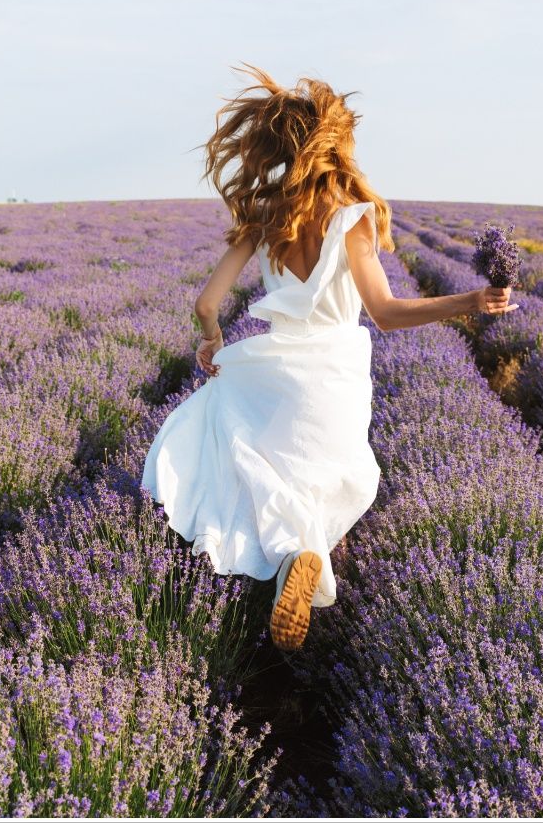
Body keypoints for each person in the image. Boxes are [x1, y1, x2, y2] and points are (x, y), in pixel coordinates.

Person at [142, 64, 511, 651]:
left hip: (270, 368)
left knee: (252, 465)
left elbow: (206, 301)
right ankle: (303, 562)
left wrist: (212, 341)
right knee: (328, 481)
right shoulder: (352, 217)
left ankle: (294, 558)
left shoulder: (263, 214)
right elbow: (385, 312)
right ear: (337, 142)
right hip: (333, 376)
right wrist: (470, 300)